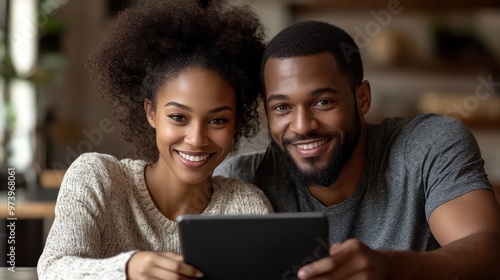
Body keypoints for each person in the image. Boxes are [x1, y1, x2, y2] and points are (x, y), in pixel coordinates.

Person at [215, 20, 500, 279]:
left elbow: (488, 251)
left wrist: (392, 267)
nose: (302, 126)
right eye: (282, 108)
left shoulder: (428, 145)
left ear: (362, 98)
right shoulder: (242, 181)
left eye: (323, 102)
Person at [37, 1, 273, 279]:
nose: (197, 139)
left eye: (217, 120)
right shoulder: (98, 178)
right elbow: (53, 268)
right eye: (178, 117)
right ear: (151, 112)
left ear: (238, 121)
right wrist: (128, 268)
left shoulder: (246, 208)